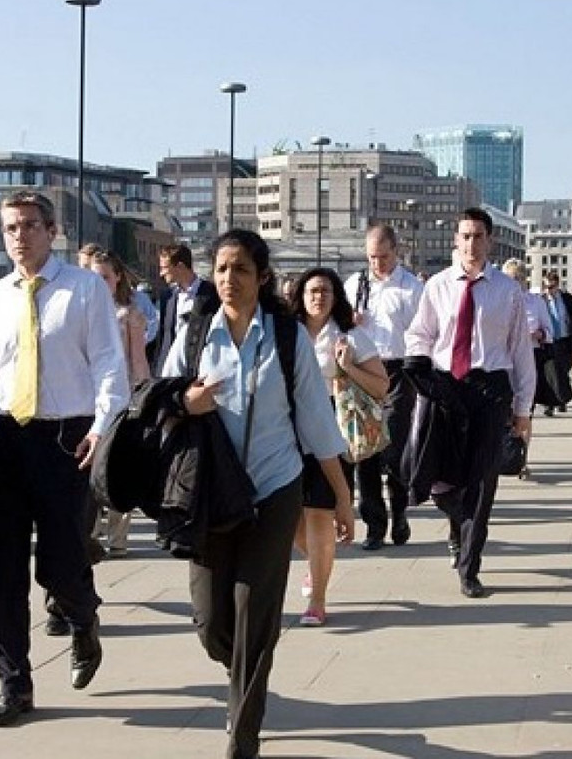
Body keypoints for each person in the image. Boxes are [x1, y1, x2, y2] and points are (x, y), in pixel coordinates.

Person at [162, 229, 355, 759]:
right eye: (222, 268)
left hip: (275, 487)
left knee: (256, 607)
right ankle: (242, 668)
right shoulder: (196, 333)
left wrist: (341, 497)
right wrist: (187, 402)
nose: (229, 279)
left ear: (262, 277)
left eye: (241, 269)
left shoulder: (287, 338)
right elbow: (162, 397)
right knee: (211, 622)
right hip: (210, 492)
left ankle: (243, 733)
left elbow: (317, 422)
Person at [0, 190, 128, 727]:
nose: (19, 236)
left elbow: (109, 365)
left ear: (51, 231)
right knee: (2, 570)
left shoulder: (84, 289)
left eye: (28, 225)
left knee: (61, 563)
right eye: (10, 228)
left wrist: (101, 428)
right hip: (1, 438)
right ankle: (13, 683)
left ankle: (83, 619)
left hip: (66, 440)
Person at [405, 208, 535, 599]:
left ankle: (469, 568)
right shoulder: (438, 286)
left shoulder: (508, 292)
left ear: (489, 241)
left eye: (478, 236)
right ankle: (459, 523)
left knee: (481, 481)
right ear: (456, 240)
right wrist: (419, 367)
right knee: (436, 478)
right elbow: (420, 333)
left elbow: (520, 351)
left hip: (489, 389)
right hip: (445, 387)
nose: (471, 243)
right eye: (465, 236)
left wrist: (523, 409)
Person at [288, 268, 387, 626]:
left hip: (333, 425)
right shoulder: (288, 333)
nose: (319, 297)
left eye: (326, 291)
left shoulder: (350, 335)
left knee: (319, 510)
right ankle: (316, 560)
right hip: (287, 426)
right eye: (312, 291)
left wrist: (347, 367)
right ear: (300, 296)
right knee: (291, 517)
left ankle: (317, 600)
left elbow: (381, 386)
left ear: (336, 297)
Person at [343, 223, 423, 550]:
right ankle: (374, 525)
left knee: (394, 448)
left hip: (397, 372)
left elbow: (423, 333)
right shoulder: (354, 285)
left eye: (383, 257)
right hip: (362, 371)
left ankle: (399, 511)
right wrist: (349, 321)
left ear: (396, 251)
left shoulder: (411, 289)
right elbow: (337, 326)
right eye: (372, 257)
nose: (377, 263)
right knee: (366, 451)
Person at [90, 249, 151, 557]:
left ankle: (118, 537)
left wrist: (143, 395)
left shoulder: (128, 315)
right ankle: (89, 533)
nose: (99, 283)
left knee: (117, 466)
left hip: (122, 397)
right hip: (88, 399)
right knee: (89, 467)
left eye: (105, 277)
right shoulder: (83, 311)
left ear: (117, 279)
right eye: (94, 277)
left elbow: (138, 360)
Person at [502, 258, 552, 479]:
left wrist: (537, 334)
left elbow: (549, 331)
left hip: (529, 359)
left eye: (519, 278)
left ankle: (522, 460)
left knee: (524, 412)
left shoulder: (535, 302)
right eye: (511, 278)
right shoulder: (498, 299)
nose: (515, 282)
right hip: (502, 363)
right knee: (503, 413)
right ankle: (504, 455)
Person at [153, 242, 218, 373]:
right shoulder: (167, 296)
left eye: (164, 268)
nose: (161, 273)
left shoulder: (211, 294)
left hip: (197, 367)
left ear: (180, 267)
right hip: (168, 369)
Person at [541, 270, 572, 416]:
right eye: (545, 287)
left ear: (557, 286)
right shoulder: (541, 301)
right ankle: (549, 404)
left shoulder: (568, 300)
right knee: (548, 373)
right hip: (548, 342)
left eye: (551, 287)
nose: (548, 290)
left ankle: (561, 399)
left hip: (565, 341)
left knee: (562, 371)